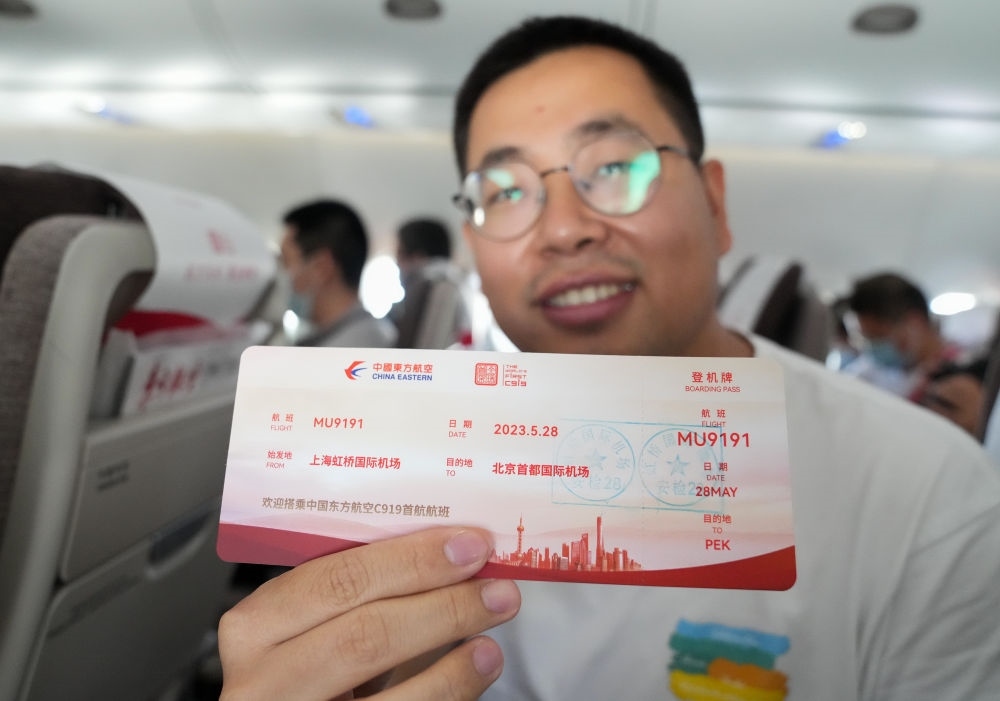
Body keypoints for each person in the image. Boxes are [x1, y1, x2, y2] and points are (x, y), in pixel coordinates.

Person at [218, 16, 1000, 700]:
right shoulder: (379, 469)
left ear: (716, 203)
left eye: (617, 167)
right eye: (505, 191)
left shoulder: (924, 494)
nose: (564, 228)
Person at [279, 198, 397, 348]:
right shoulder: (348, 336)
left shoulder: (355, 348)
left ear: (321, 267)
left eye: (285, 263)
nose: (280, 276)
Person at [842, 271, 966, 401]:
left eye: (879, 337)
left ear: (914, 322)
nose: (873, 347)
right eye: (867, 338)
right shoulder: (873, 373)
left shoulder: (960, 379)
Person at [387, 216, 473, 348]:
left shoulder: (430, 287)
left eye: (399, 254)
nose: (397, 264)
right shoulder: (458, 284)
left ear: (418, 256)